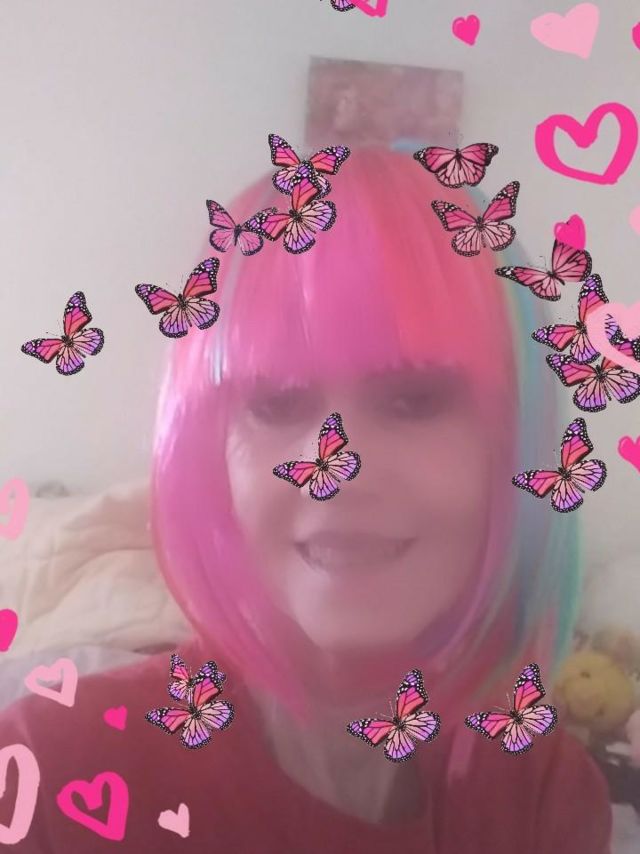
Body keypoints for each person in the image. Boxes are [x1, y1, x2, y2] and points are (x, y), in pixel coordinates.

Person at [0, 148, 612, 852]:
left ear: (515, 446)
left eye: (413, 399)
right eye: (278, 400)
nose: (338, 468)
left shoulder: (544, 790)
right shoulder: (46, 771)